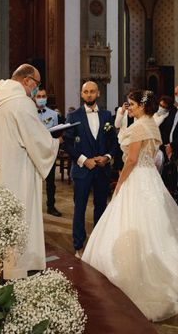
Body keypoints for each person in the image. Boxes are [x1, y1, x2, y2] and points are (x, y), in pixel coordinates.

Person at [81, 90, 178, 321]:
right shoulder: (151, 124)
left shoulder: (139, 127)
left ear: (141, 105)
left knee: (131, 220)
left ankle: (138, 277)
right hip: (151, 178)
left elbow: (132, 159)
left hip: (137, 177)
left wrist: (119, 182)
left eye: (131, 104)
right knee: (155, 224)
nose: (129, 107)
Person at [0, 64, 60, 279]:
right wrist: (55, 143)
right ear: (27, 80)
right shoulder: (21, 102)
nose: (37, 90)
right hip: (16, 172)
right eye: (37, 84)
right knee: (18, 218)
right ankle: (16, 267)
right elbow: (37, 140)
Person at [63, 81, 118, 257]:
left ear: (98, 94)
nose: (89, 95)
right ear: (81, 94)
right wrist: (83, 160)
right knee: (79, 209)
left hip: (102, 170)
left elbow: (113, 143)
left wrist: (107, 157)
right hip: (82, 170)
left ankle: (98, 243)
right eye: (86, 92)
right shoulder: (73, 116)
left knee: (101, 207)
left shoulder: (106, 116)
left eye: (92, 91)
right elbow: (68, 144)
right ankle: (78, 246)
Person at [35, 88, 62, 217]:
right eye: (39, 96)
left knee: (51, 182)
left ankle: (51, 206)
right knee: (33, 181)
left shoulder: (54, 114)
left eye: (43, 96)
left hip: (48, 151)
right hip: (34, 151)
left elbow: (57, 132)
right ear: (34, 97)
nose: (41, 98)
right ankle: (33, 207)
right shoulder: (29, 113)